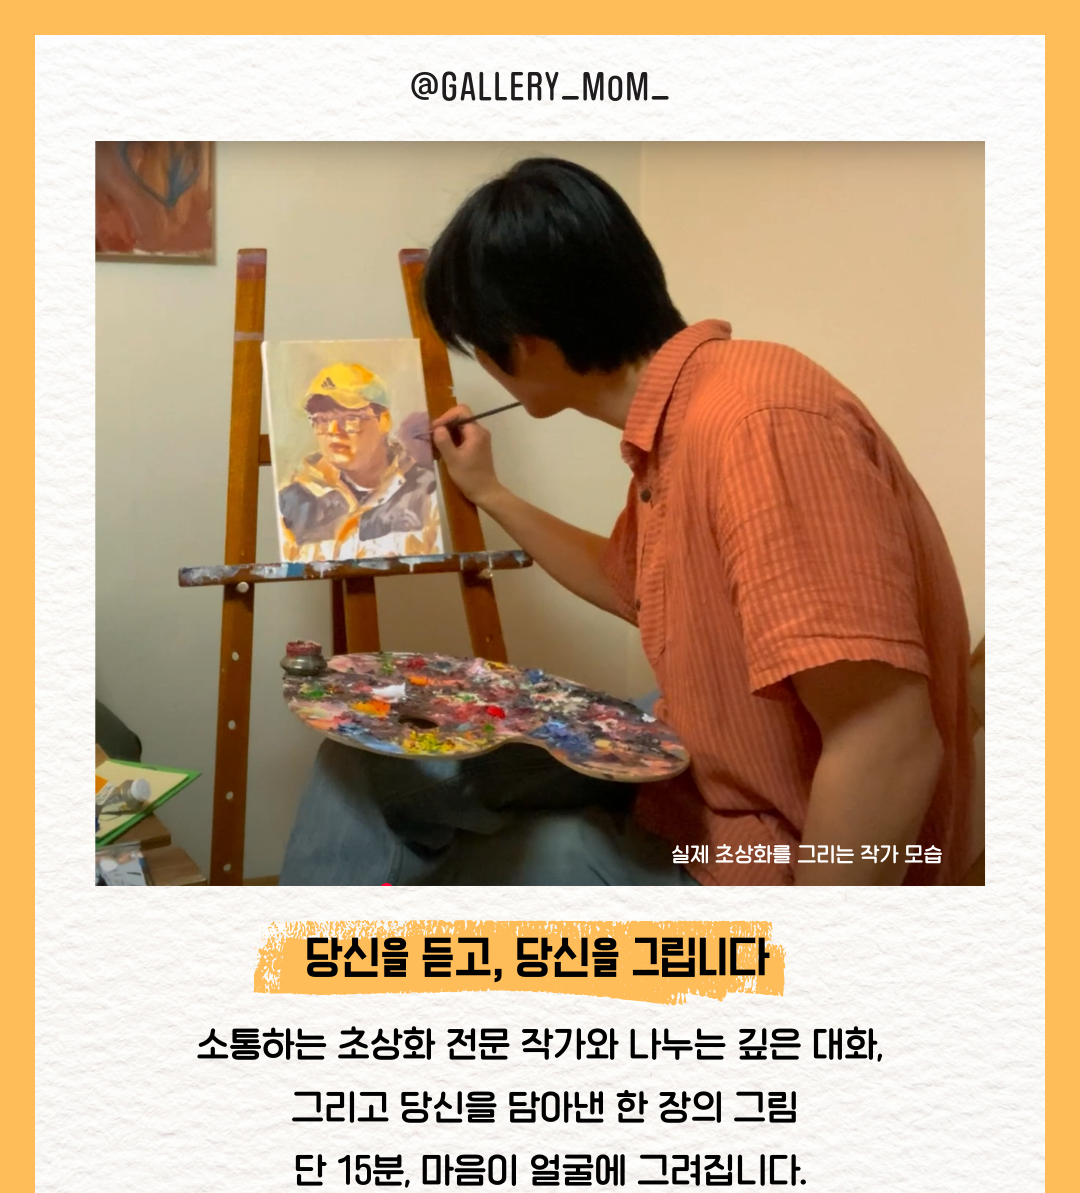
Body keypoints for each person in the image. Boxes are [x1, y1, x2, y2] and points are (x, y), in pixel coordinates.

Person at [280, 158, 973, 886]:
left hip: (770, 851)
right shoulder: (687, 417)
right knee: (366, 763)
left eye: (479, 345)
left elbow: (886, 742)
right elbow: (632, 584)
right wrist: (492, 493)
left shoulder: (756, 423)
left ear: (526, 343)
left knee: (509, 862)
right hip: (703, 759)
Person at [278, 362, 442, 560]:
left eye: (350, 418)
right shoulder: (291, 502)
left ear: (384, 421)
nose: (333, 431)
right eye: (321, 419)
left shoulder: (427, 492)